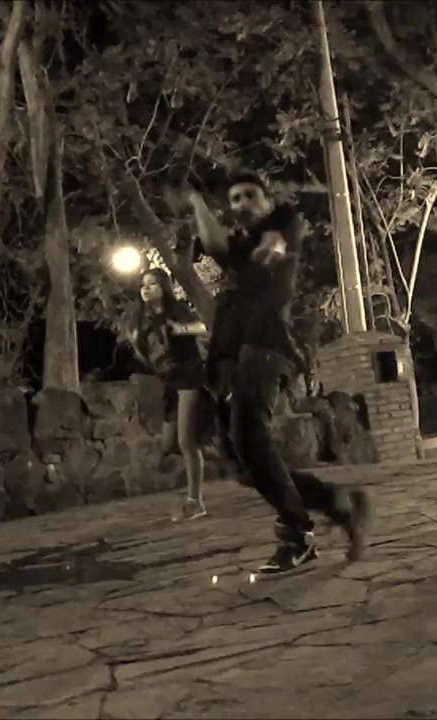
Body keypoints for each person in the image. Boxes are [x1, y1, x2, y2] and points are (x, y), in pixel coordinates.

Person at [166, 170, 373, 575]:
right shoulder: (240, 245)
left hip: (264, 348)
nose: (242, 204)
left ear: (267, 199)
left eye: (250, 196)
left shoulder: (284, 222)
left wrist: (272, 243)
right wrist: (196, 202)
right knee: (244, 466)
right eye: (235, 199)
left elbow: (275, 241)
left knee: (249, 437)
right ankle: (340, 503)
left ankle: (297, 535)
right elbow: (217, 245)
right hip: (228, 356)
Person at [129, 268, 214, 520]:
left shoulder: (177, 309)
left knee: (186, 441)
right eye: (143, 285)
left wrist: (180, 329)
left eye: (153, 284)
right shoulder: (141, 318)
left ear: (163, 287)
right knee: (169, 445)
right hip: (169, 380)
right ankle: (214, 448)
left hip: (189, 372)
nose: (146, 289)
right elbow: (143, 351)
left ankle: (195, 502)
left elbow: (202, 327)